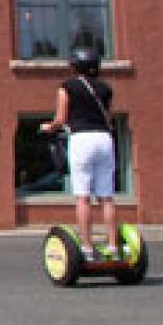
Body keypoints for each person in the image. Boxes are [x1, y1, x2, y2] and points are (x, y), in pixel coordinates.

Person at [41, 47, 119, 261]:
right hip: (104, 140)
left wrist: (50, 126)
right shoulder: (105, 88)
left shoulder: (67, 87)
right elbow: (109, 117)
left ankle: (86, 247)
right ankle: (113, 246)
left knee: (83, 198)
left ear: (74, 66)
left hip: (82, 139)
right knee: (106, 197)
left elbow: (61, 118)